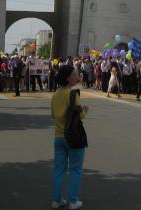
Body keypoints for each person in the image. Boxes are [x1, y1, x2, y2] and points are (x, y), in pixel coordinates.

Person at [50, 65, 87, 209]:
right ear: (67, 78)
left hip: (58, 136)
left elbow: (54, 115)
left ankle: (56, 200)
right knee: (75, 169)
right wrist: (85, 110)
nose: (77, 77)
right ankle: (73, 201)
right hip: (73, 136)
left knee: (59, 169)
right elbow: (80, 115)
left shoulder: (55, 95)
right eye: (74, 75)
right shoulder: (72, 94)